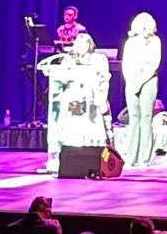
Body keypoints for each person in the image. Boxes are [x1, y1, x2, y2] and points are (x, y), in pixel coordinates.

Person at [37, 30, 112, 173]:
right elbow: (59, 75)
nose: (80, 46)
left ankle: (95, 161)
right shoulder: (69, 59)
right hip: (72, 100)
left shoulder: (98, 59)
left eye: (83, 43)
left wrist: (101, 97)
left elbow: (103, 78)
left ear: (89, 45)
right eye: (78, 43)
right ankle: (62, 160)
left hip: (91, 101)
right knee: (70, 128)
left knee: (91, 129)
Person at [120, 11, 163, 167]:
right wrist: (130, 81)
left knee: (146, 118)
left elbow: (154, 64)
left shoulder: (155, 41)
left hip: (148, 80)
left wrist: (139, 82)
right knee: (134, 118)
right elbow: (125, 64)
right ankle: (131, 157)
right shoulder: (130, 42)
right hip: (132, 80)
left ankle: (145, 158)